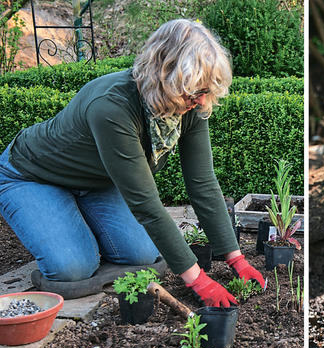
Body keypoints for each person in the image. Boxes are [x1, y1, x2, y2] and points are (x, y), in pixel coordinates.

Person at [0, 19, 265, 307]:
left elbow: (202, 183)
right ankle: (63, 228)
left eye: (206, 92)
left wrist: (235, 258)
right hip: (33, 176)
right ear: (164, 76)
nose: (202, 101)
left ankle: (73, 222)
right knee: (72, 269)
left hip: (96, 182)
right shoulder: (111, 107)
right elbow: (146, 205)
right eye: (195, 93)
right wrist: (198, 280)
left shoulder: (190, 104)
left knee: (142, 254)